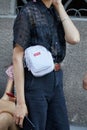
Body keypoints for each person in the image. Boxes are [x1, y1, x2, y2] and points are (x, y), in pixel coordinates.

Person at [13, 0, 80, 129]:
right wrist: (21, 103)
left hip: (56, 79)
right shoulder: (28, 12)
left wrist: (59, 6)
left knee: (60, 125)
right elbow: (17, 57)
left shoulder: (56, 12)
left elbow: (74, 38)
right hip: (35, 82)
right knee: (36, 126)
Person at [0, 65, 19, 130]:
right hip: (14, 110)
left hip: (27, 113)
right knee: (3, 119)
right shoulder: (15, 67)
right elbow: (6, 95)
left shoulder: (44, 67)